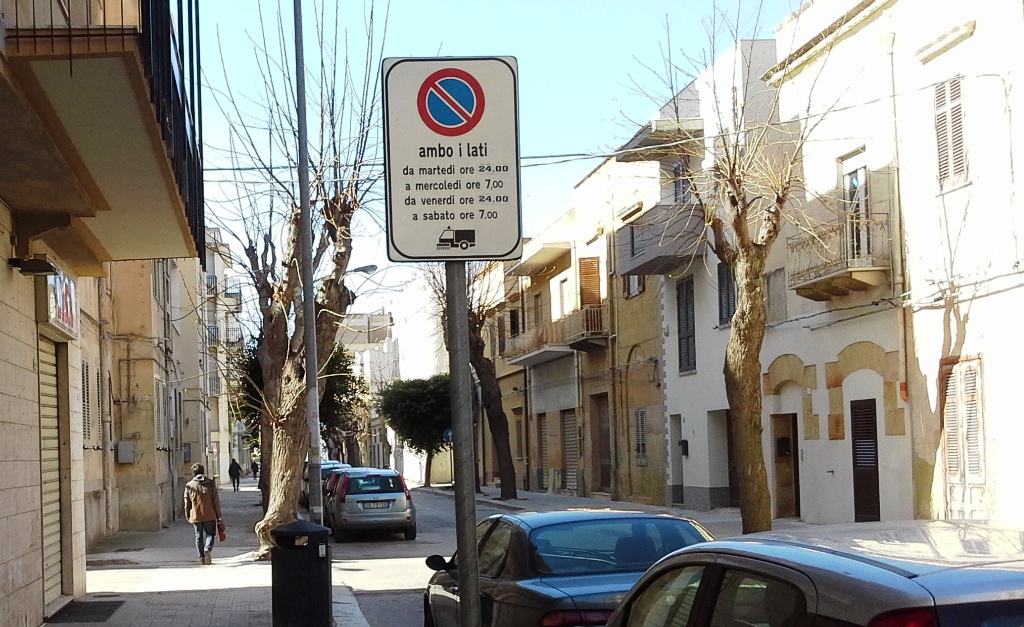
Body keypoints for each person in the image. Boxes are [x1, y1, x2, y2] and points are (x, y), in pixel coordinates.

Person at [184, 463, 222, 565]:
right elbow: (215, 500)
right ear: (203, 471)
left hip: (196, 515)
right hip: (210, 514)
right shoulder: (210, 483)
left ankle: (201, 557)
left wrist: (187, 515)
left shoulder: (189, 485)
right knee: (210, 534)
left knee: (198, 536)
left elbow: (187, 502)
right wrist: (218, 515)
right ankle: (208, 548)